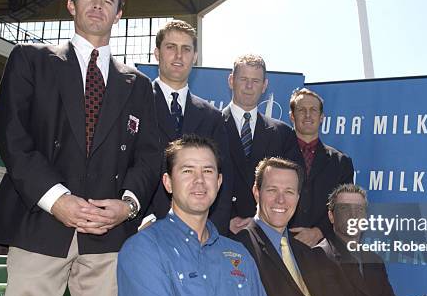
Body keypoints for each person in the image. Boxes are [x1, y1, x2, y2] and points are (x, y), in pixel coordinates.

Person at [0, 0, 161, 296]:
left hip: (108, 235)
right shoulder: (30, 60)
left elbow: (149, 158)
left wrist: (127, 206)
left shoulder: (139, 85)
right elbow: (13, 136)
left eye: (107, 1)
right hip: (40, 224)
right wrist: (55, 199)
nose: (98, 6)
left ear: (119, 14)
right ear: (71, 6)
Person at [117, 135, 344, 296]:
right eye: (187, 171)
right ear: (168, 182)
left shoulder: (236, 254)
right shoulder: (143, 251)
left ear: (219, 181)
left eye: (208, 171)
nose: (199, 181)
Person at [235, 157, 424, 296]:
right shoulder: (238, 250)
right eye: (272, 190)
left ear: (298, 197)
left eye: (289, 191)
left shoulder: (305, 252)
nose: (281, 199)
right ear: (256, 192)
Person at [146, 19, 231, 232]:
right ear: (157, 53)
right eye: (170, 47)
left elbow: (222, 178)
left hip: (198, 231)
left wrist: (213, 231)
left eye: (186, 49)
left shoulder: (212, 117)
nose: (178, 55)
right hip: (143, 226)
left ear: (194, 57)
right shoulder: (136, 103)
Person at [222, 54, 298, 234]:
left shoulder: (283, 134)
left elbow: (291, 187)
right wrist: (227, 219)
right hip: (220, 232)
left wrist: (260, 219)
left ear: (264, 86)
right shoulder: (209, 125)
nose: (249, 86)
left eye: (255, 81)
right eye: (243, 79)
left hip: (267, 233)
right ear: (231, 80)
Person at [287, 88, 354, 247]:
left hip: (323, 250)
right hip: (279, 246)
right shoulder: (275, 155)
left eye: (313, 110)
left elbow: (344, 208)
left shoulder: (341, 162)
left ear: (322, 117)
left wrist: (319, 232)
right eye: (302, 110)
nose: (308, 115)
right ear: (292, 116)